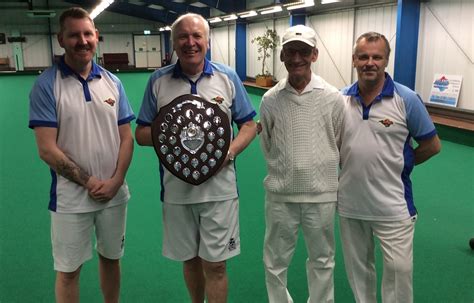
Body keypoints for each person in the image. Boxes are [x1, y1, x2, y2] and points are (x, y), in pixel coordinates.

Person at [135, 13, 257, 303]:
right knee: (189, 260)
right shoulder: (158, 81)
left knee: (216, 264)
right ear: (174, 42)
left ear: (207, 40)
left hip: (220, 191)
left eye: (197, 36)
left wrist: (229, 152)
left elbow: (249, 125)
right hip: (177, 192)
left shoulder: (227, 77)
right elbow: (140, 134)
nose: (190, 42)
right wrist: (170, 138)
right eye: (183, 37)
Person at [28, 7, 135, 303]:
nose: (82, 41)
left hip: (115, 194)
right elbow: (47, 149)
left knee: (111, 259)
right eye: (74, 35)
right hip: (70, 200)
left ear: (97, 37)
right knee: (69, 271)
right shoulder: (46, 85)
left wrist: (115, 181)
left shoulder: (114, 82)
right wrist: (89, 182)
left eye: (87, 34)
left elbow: (126, 139)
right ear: (61, 39)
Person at [338, 31, 441, 303]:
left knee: (399, 271)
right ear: (354, 60)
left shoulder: (407, 99)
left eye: (376, 57)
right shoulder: (340, 100)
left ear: (386, 61)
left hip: (393, 206)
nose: (369, 62)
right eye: (363, 57)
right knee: (359, 271)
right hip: (350, 204)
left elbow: (432, 145)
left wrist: (402, 164)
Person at [259, 25, 345, 303]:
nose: (297, 58)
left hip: (321, 195)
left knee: (322, 259)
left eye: (304, 52)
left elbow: (339, 141)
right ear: (282, 56)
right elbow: (269, 144)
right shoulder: (270, 99)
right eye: (291, 52)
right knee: (274, 261)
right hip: (280, 195)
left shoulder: (333, 97)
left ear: (315, 55)